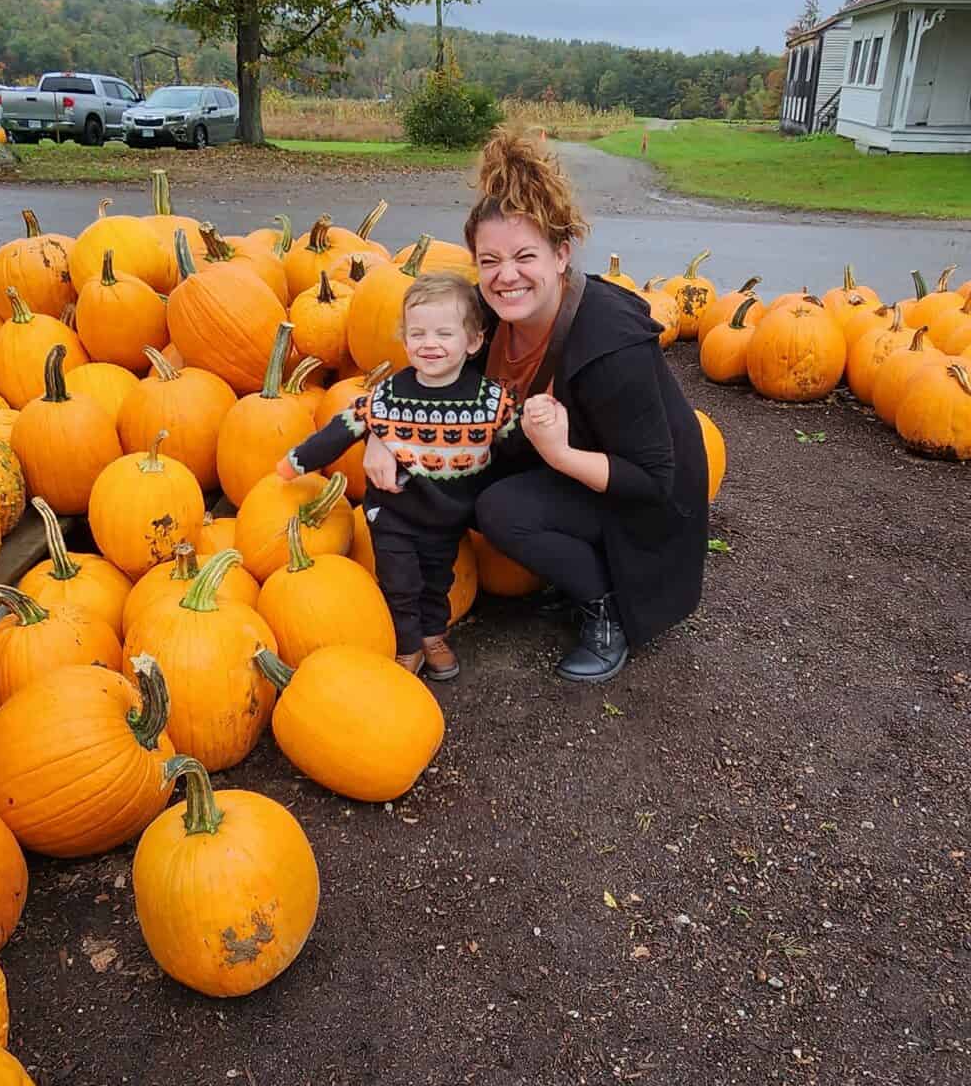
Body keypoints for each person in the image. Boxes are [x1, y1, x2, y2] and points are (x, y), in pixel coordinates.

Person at [375, 124, 707, 683]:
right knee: (445, 479)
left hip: (647, 501)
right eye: (489, 261)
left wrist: (558, 454)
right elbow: (442, 386)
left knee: (500, 510)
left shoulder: (609, 342)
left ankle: (608, 607)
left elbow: (653, 480)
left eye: (524, 255)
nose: (506, 277)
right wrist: (386, 434)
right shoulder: (487, 321)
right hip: (573, 463)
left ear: (562, 253)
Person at [282, 273, 514, 682]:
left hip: (448, 516)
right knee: (400, 582)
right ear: (404, 340)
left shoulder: (488, 399)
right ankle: (409, 645)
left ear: (474, 342)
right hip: (394, 512)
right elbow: (345, 426)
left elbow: (518, 437)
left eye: (445, 333)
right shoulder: (390, 395)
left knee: (438, 580)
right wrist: (297, 461)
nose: (430, 343)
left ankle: (433, 636)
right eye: (417, 333)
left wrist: (548, 428)